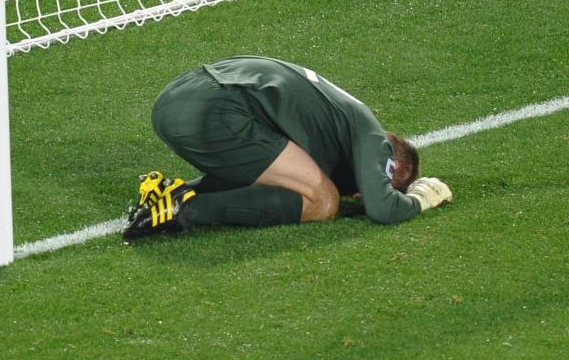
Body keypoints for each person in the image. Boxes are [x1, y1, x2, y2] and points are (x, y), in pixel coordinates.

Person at [122, 55, 453, 242]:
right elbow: (384, 210)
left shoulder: (333, 123)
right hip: (217, 110)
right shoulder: (375, 140)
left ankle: (169, 193)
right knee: (323, 200)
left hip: (175, 99)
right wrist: (421, 198)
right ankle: (184, 211)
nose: (361, 195)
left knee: (282, 178)